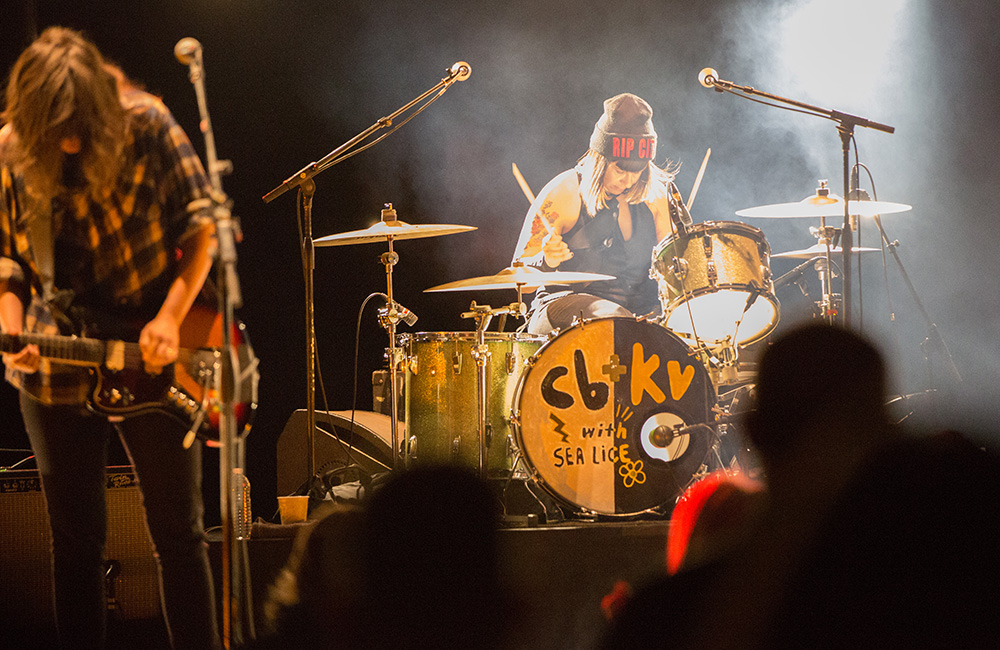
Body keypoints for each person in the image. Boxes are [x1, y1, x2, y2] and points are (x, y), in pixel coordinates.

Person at [0, 27, 220, 650]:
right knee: (74, 543)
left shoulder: (147, 124)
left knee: (180, 537)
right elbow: (9, 262)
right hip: (57, 353)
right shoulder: (11, 150)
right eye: (57, 128)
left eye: (80, 125)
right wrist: (11, 323)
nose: (70, 139)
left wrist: (171, 316)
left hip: (155, 344)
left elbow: (203, 227)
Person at [511, 92, 691, 335]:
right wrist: (545, 260)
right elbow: (518, 280)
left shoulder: (655, 197)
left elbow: (678, 269)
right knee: (617, 322)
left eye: (637, 171)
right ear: (600, 158)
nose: (627, 180)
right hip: (560, 310)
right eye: (620, 169)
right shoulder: (565, 192)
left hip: (635, 316)